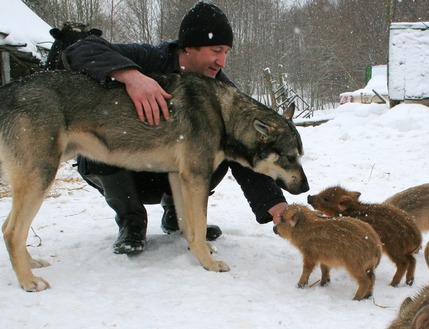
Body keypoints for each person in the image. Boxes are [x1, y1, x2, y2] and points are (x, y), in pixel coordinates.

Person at [65, 2, 289, 255]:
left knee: (221, 148)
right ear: (189, 47)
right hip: (124, 170)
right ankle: (131, 222)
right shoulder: (150, 58)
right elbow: (81, 49)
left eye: (226, 52)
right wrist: (131, 76)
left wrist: (276, 205)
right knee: (102, 141)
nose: (222, 61)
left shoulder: (223, 92)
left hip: (168, 172)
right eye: (216, 50)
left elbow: (247, 154)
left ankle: (178, 216)